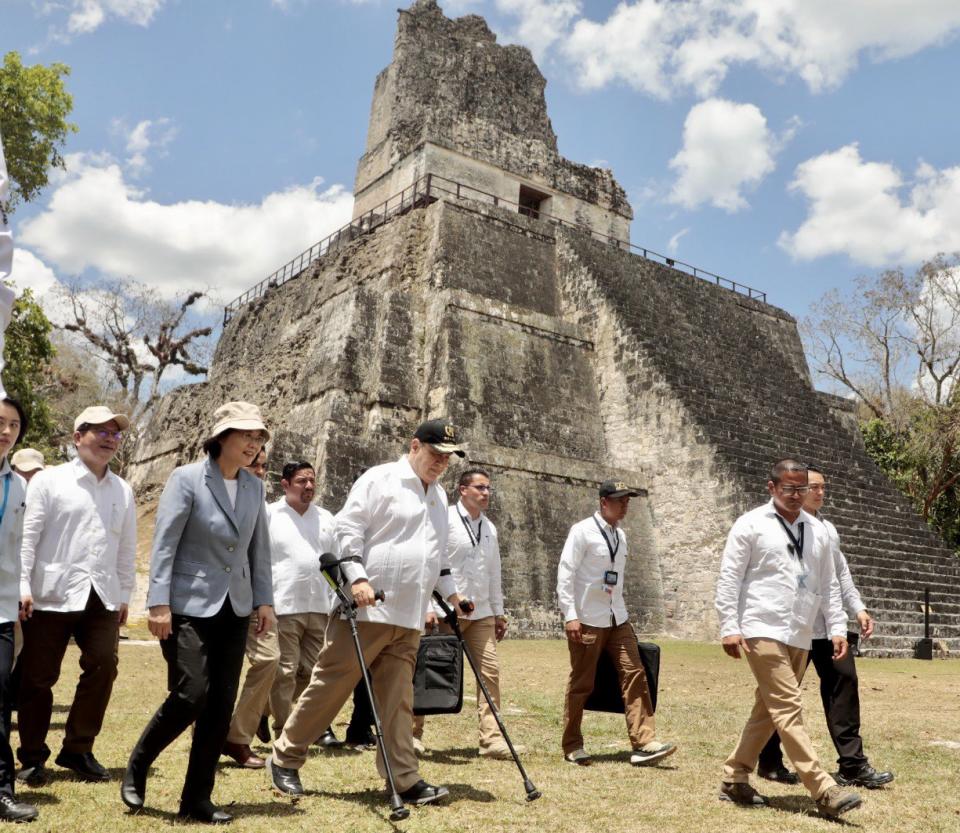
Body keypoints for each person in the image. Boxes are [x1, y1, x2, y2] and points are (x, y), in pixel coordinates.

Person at [268, 418, 471, 807]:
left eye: (449, 457)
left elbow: (437, 556)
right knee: (331, 686)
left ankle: (404, 778)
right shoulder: (380, 480)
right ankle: (285, 757)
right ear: (414, 446)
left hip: (409, 615)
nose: (442, 463)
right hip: (366, 609)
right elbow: (348, 529)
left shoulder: (439, 497)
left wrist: (452, 595)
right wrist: (357, 577)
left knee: (398, 700)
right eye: (436, 454)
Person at [122, 401, 275, 824]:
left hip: (237, 606)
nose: (254, 443)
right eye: (246, 434)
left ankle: (197, 800)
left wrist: (264, 599)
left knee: (221, 703)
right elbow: (165, 543)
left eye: (259, 436)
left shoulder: (255, 487)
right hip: (188, 605)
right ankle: (140, 761)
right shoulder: (186, 479)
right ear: (222, 436)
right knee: (192, 693)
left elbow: (259, 548)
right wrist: (157, 603)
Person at [715, 459, 862, 818]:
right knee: (788, 704)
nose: (797, 496)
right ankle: (823, 788)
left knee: (767, 709)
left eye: (802, 488)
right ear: (772, 487)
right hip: (760, 626)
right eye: (789, 489)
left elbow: (828, 583)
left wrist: (838, 628)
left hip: (800, 629)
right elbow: (730, 578)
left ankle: (734, 777)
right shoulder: (750, 524)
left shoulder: (819, 531)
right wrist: (728, 625)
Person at [17, 406, 136, 786]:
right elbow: (28, 537)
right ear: (76, 437)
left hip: (101, 593)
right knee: (37, 678)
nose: (108, 438)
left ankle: (78, 748)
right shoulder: (49, 481)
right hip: (51, 592)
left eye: (114, 433)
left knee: (104, 665)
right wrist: (23, 584)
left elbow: (126, 549)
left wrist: (124, 594)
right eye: (99, 431)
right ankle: (33, 757)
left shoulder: (123, 489)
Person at [757, 466, 894, 788]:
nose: (819, 493)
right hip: (793, 628)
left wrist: (857, 608)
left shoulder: (827, 530)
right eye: (814, 487)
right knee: (781, 696)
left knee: (844, 685)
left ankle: (852, 764)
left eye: (822, 488)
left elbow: (840, 575)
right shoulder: (776, 528)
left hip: (828, 628)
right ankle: (769, 760)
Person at [557, 480, 676, 767]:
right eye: (620, 500)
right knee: (582, 683)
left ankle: (644, 742)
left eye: (628, 500)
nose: (625, 505)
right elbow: (566, 573)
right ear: (603, 502)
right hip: (587, 619)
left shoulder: (620, 536)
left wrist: (621, 613)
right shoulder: (582, 531)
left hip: (617, 618)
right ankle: (572, 744)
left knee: (635, 674)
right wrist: (570, 614)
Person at [414, 468, 513, 758]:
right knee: (428, 669)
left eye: (488, 488)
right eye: (480, 488)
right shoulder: (444, 519)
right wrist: (429, 607)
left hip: (480, 612)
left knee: (490, 674)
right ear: (463, 490)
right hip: (447, 610)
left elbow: (494, 573)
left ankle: (491, 739)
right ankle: (412, 733)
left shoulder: (490, 528)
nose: (486, 493)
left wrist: (499, 612)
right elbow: (432, 564)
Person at [266, 461, 342, 742]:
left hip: (319, 605)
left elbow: (335, 562)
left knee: (312, 671)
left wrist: (338, 598)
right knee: (284, 671)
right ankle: (284, 732)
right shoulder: (270, 514)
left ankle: (265, 710)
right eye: (301, 481)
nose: (309, 486)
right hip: (283, 603)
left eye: (312, 480)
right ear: (285, 484)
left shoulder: (326, 518)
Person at [221, 447, 281, 769]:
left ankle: (237, 735)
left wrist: (264, 601)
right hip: (214, 599)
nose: (259, 471)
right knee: (213, 674)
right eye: (254, 464)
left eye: (264, 466)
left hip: (251, 600)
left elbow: (262, 556)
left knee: (269, 658)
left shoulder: (262, 501)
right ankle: (209, 736)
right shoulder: (212, 490)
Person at [0, 398, 38, 821]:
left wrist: (21, 589)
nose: (6, 431)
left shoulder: (20, 486)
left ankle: (2, 789)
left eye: (13, 425)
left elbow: (19, 548)